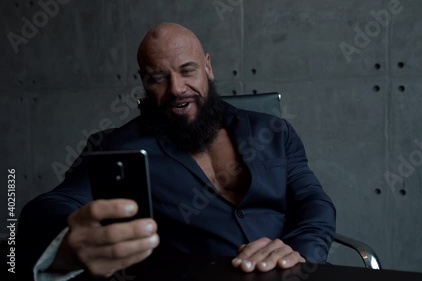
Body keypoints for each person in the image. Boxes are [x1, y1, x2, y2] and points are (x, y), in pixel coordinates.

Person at [18, 22, 336, 280]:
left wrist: (299, 251)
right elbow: (48, 208)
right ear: (144, 82)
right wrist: (70, 244)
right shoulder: (117, 148)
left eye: (187, 71)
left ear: (208, 68)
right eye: (158, 78)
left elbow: (313, 202)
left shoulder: (273, 131)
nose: (176, 89)